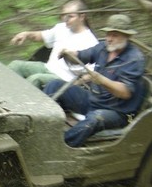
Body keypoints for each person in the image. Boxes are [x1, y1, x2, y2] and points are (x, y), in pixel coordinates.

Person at [43, 14, 146, 147]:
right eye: (108, 33)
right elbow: (83, 56)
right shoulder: (103, 48)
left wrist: (101, 80)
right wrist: (69, 54)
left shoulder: (135, 59)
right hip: (94, 100)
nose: (109, 38)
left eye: (115, 35)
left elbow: (125, 92)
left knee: (95, 118)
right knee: (55, 85)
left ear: (127, 36)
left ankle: (60, 146)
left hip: (117, 112)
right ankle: (42, 126)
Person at [8, 0, 98, 89]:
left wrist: (74, 85)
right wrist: (26, 34)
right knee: (16, 65)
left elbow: (91, 74)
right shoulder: (61, 28)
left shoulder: (91, 42)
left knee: (35, 79)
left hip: (63, 79)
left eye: (70, 16)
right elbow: (41, 36)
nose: (65, 19)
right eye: (64, 15)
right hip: (47, 68)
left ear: (82, 17)